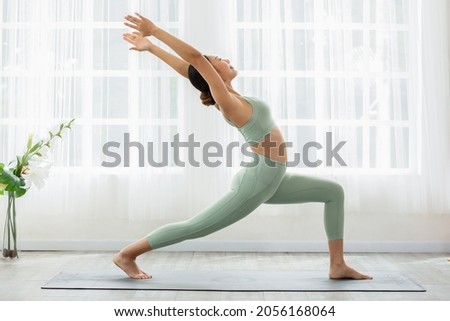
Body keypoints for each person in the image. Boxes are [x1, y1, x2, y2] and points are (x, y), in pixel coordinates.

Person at [114, 12, 372, 280]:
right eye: (219, 61)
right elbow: (195, 61)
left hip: (273, 176)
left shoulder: (233, 96)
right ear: (212, 73)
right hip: (259, 180)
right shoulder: (227, 102)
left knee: (333, 192)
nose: (225, 60)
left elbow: (189, 70)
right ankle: (127, 254)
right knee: (197, 227)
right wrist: (154, 31)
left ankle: (337, 265)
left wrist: (153, 48)